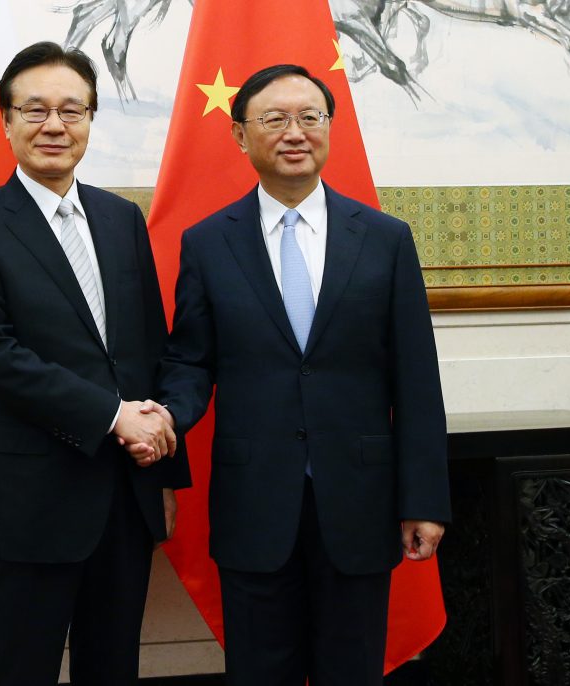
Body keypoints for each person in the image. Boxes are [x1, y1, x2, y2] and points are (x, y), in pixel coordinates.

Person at [147, 64, 451, 686]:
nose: (295, 133)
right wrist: (164, 417)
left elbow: (417, 381)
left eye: (310, 117)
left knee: (352, 671)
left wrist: (424, 499)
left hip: (360, 501)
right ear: (239, 136)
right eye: (274, 119)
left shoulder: (386, 239)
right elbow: (191, 360)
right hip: (255, 502)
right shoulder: (208, 243)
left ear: (329, 129)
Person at [0, 41, 188, 686]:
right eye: (36, 110)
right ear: (6, 120)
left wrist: (163, 469)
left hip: (122, 499)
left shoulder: (121, 219)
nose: (55, 126)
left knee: (113, 670)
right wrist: (113, 416)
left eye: (72, 110)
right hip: (28, 503)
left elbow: (148, 350)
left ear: (91, 119)